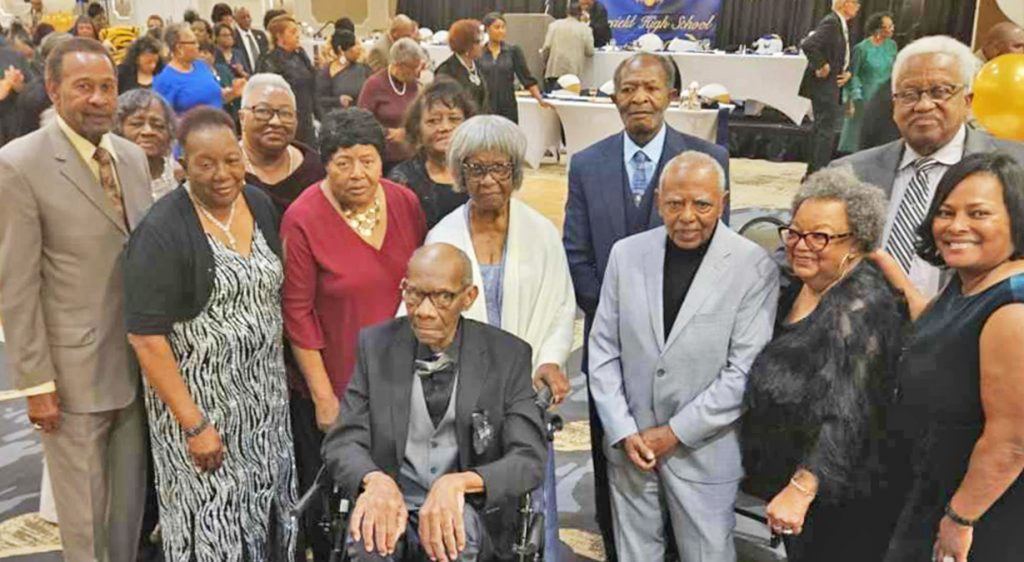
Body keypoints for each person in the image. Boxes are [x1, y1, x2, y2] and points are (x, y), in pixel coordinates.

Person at [562, 52, 730, 560]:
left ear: (671, 96)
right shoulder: (586, 164)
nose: (639, 98)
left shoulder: (708, 159)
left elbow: (717, 253)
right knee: (614, 451)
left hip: (686, 350)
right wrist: (623, 321)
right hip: (610, 348)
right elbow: (577, 254)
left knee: (682, 456)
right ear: (614, 97)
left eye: (651, 88)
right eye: (628, 88)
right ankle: (617, 546)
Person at [0, 37, 153, 562]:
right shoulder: (19, 164)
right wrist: (36, 383)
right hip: (71, 377)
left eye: (107, 87)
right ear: (53, 89)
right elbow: (17, 286)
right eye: (83, 86)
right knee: (85, 523)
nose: (98, 99)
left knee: (127, 514)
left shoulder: (131, 158)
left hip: (139, 366)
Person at [124, 107, 297, 561]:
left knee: (264, 514)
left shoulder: (258, 203)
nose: (222, 174)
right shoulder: (161, 230)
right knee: (212, 525)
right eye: (206, 163)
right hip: (202, 411)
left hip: (263, 405)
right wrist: (195, 424)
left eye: (231, 160)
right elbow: (146, 338)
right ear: (182, 163)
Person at [589, 151, 778, 562]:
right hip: (631, 447)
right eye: (675, 203)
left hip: (704, 449)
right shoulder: (626, 254)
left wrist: (674, 432)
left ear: (723, 203)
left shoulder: (753, 266)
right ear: (659, 201)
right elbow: (602, 349)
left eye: (702, 204)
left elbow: (744, 372)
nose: (687, 216)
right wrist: (622, 428)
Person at [322, 242, 548, 561]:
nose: (424, 311)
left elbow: (528, 459)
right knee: (368, 538)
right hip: (393, 500)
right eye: (414, 294)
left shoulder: (507, 355)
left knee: (454, 537)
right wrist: (374, 480)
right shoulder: (375, 346)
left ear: (468, 297)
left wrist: (461, 483)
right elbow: (342, 442)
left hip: (470, 511)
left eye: (442, 297)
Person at [422, 115, 574, 562]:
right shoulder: (442, 236)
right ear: (459, 172)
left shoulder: (541, 233)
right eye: (476, 168)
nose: (488, 179)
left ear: (515, 170)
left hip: (525, 395)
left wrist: (549, 361)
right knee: (470, 513)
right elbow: (423, 314)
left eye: (500, 167)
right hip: (460, 400)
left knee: (529, 510)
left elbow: (560, 306)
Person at [281, 107, 426, 561]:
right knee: (343, 506)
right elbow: (297, 313)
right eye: (343, 162)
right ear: (325, 163)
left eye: (368, 160)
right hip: (342, 385)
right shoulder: (303, 217)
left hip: (405, 379)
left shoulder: (405, 203)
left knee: (406, 495)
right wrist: (324, 397)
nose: (357, 174)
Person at [741, 167, 905, 562]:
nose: (802, 245)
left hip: (838, 496)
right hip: (790, 474)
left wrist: (802, 489)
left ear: (858, 241)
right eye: (795, 232)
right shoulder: (799, 283)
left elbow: (848, 412)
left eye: (820, 237)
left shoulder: (861, 305)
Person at [869, 153, 1024, 562]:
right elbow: (946, 337)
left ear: (1016, 219)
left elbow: (1011, 442)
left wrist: (960, 519)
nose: (956, 226)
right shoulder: (969, 282)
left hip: (980, 516)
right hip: (933, 493)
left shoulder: (1013, 308)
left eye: (978, 213)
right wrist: (897, 283)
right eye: (946, 212)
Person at [833, 35, 1024, 298]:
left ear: (968, 101)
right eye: (909, 94)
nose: (923, 105)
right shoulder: (848, 173)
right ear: (894, 104)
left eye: (940, 91)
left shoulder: (1017, 166)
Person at [387, 79, 475, 229]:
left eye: (454, 119)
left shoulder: (480, 172)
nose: (444, 127)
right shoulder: (402, 179)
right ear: (417, 128)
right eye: (433, 121)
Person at [240, 74, 326, 213]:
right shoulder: (226, 172)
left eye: (285, 113)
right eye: (263, 111)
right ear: (242, 118)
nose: (276, 122)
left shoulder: (315, 170)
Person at [800, 0, 860, 175]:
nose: (858, 7)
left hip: (831, 84)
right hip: (824, 86)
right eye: (855, 3)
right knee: (825, 132)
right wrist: (821, 65)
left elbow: (839, 55)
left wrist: (846, 72)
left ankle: (814, 172)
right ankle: (818, 173)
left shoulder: (839, 24)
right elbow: (808, 44)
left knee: (823, 131)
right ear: (845, 4)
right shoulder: (832, 22)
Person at [358, 37, 427, 172]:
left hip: (412, 156)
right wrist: (388, 133)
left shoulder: (412, 84)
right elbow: (361, 121)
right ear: (399, 66)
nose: (418, 73)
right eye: (414, 68)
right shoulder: (374, 84)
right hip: (384, 158)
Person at [154, 23, 245, 115]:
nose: (198, 46)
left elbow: (215, 96)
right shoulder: (165, 80)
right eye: (194, 42)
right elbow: (162, 116)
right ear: (179, 48)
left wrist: (232, 92)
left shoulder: (201, 66)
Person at [838, 12, 897, 153]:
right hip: (864, 96)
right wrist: (852, 100)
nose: (893, 29)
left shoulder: (892, 45)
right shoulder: (861, 48)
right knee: (859, 134)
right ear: (878, 30)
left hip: (886, 95)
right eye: (889, 26)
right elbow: (853, 75)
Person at [478, 12, 550, 125]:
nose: (501, 31)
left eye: (503, 27)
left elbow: (526, 78)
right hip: (484, 105)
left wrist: (540, 99)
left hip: (507, 105)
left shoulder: (513, 51)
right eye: (497, 27)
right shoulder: (479, 52)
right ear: (487, 29)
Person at [259, 15, 318, 147]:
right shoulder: (270, 60)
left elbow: (312, 81)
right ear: (279, 36)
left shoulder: (300, 55)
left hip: (306, 118)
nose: (298, 35)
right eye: (293, 32)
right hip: (285, 119)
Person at [115, 89, 182, 200]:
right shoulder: (108, 176)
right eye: (137, 124)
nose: (148, 131)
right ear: (118, 129)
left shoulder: (180, 178)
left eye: (158, 125)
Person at [435, 19, 489, 113]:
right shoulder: (446, 70)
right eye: (477, 42)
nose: (482, 46)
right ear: (466, 45)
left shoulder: (479, 66)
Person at [315, 29, 372, 116]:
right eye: (354, 45)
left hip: (362, 119)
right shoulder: (325, 73)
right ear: (341, 49)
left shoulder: (364, 69)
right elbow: (319, 100)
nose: (359, 48)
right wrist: (337, 101)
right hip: (335, 119)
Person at [541, 2, 595, 92]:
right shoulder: (586, 29)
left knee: (552, 98)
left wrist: (545, 63)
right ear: (581, 14)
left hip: (554, 70)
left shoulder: (554, 25)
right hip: (573, 73)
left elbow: (546, 47)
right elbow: (590, 51)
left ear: (567, 12)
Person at [233, 6, 268, 75]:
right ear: (236, 20)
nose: (247, 20)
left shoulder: (260, 34)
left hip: (263, 74)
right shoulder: (234, 37)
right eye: (243, 18)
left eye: (248, 16)